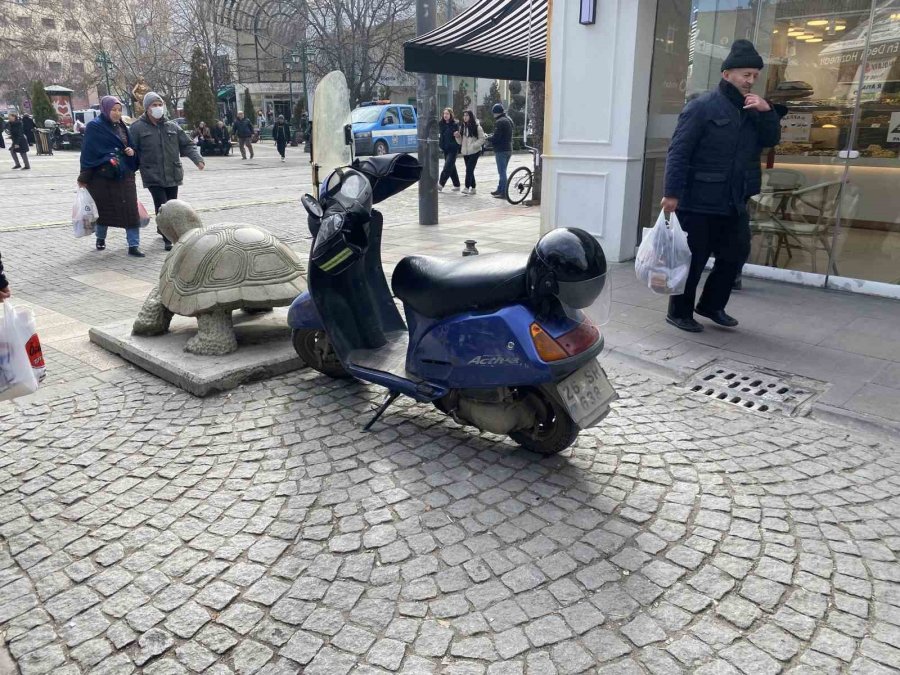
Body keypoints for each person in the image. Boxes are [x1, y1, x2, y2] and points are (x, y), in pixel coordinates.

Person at [661, 40, 784, 332]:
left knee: (735, 254)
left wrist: (767, 111)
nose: (750, 80)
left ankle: (712, 305)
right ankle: (679, 312)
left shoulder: (754, 109)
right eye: (745, 74)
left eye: (755, 75)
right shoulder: (701, 106)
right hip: (699, 198)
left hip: (734, 198)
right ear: (727, 74)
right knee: (694, 259)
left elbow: (771, 140)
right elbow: (679, 151)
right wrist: (671, 193)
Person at [130, 91, 205, 250]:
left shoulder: (172, 126)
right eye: (154, 105)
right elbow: (131, 150)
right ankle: (167, 237)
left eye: (159, 105)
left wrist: (197, 159)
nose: (158, 108)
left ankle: (162, 227)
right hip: (152, 174)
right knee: (162, 204)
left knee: (172, 204)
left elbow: (188, 144)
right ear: (147, 108)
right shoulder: (137, 128)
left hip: (172, 173)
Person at [78, 96, 142, 256]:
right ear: (105, 109)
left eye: (119, 110)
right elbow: (88, 153)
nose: (117, 113)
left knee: (131, 211)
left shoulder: (122, 127)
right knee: (104, 211)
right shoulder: (94, 127)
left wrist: (131, 152)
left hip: (124, 175)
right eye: (113, 109)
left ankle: (133, 245)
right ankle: (100, 238)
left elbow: (132, 146)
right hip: (102, 178)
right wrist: (84, 178)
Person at [489, 103, 513, 198]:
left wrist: (489, 138)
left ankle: (503, 192)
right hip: (508, 149)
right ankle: (500, 189)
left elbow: (496, 137)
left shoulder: (499, 122)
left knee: (502, 172)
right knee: (503, 170)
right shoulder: (508, 119)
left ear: (496, 112)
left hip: (501, 150)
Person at [460, 110, 485, 195]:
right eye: (464, 115)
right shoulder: (463, 127)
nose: (465, 117)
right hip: (466, 152)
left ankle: (467, 187)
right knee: (470, 170)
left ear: (470, 116)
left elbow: (482, 139)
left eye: (467, 115)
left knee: (469, 169)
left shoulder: (477, 127)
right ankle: (473, 188)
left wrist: (474, 145)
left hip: (475, 151)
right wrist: (457, 137)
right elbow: (460, 141)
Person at [437, 108, 461, 192]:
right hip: (445, 148)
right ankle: (457, 184)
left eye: (447, 114)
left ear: (451, 115)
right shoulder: (441, 124)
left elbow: (458, 135)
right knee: (451, 167)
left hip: (453, 149)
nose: (445, 115)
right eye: (444, 114)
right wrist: (441, 145)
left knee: (447, 166)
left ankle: (440, 184)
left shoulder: (455, 124)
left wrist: (457, 135)